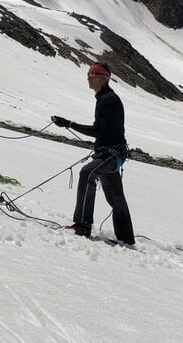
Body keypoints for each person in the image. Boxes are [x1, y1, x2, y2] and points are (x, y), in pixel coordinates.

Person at [51, 63, 135, 245]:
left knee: (87, 173)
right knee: (115, 196)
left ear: (104, 78)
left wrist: (69, 124)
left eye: (93, 73)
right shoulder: (105, 98)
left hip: (110, 155)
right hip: (111, 154)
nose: (89, 76)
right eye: (88, 73)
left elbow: (98, 130)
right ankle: (126, 238)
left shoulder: (108, 100)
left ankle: (83, 225)